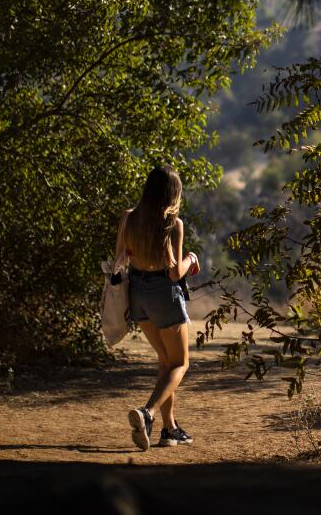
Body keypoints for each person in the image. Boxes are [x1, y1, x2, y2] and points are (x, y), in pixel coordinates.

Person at [119, 166, 200, 450]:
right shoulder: (172, 224)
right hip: (163, 294)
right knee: (180, 363)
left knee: (165, 361)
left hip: (137, 294)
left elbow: (119, 259)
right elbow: (176, 273)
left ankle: (170, 429)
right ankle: (148, 413)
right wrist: (191, 258)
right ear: (172, 194)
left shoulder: (129, 218)